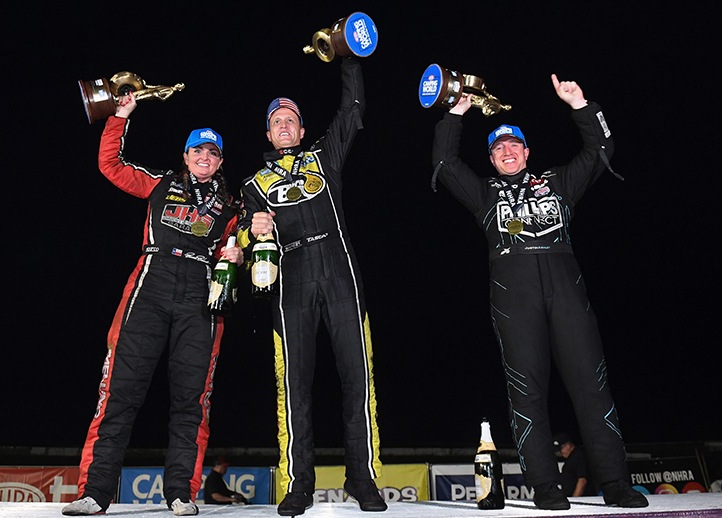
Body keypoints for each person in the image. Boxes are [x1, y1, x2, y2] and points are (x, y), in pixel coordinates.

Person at [430, 74, 648, 510]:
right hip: (514, 298)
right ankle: (545, 488)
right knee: (526, 391)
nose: (507, 152)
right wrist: (456, 112)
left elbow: (600, 150)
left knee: (592, 385)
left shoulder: (558, 182)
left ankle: (617, 484)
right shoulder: (484, 195)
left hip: (567, 292)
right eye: (498, 149)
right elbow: (445, 164)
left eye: (514, 146)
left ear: (526, 152)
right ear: (491, 160)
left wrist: (580, 104)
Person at [62, 93, 243, 517]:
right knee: (120, 392)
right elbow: (111, 166)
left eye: (212, 152)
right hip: (150, 283)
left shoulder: (232, 208)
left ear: (220, 162)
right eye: (197, 149)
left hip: (202, 295)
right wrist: (119, 117)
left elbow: (243, 251)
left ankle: (181, 492)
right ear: (185, 155)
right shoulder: (161, 183)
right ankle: (95, 492)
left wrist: (238, 254)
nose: (204, 156)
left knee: (191, 400)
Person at [236, 55, 386, 516]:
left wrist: (347, 56)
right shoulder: (252, 184)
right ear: (268, 133)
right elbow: (238, 240)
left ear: (302, 131)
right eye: (276, 121)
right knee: (295, 389)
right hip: (292, 282)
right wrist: (251, 229)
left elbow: (354, 107)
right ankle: (298, 485)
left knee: (357, 382)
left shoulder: (326, 156)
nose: (284, 126)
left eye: (291, 120)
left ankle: (363, 480)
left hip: (342, 276)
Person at [553, 432, 596, 497]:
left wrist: (575, 499)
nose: (560, 453)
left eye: (560, 449)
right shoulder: (570, 458)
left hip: (584, 500)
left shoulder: (579, 456)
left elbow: (582, 481)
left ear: (568, 445)